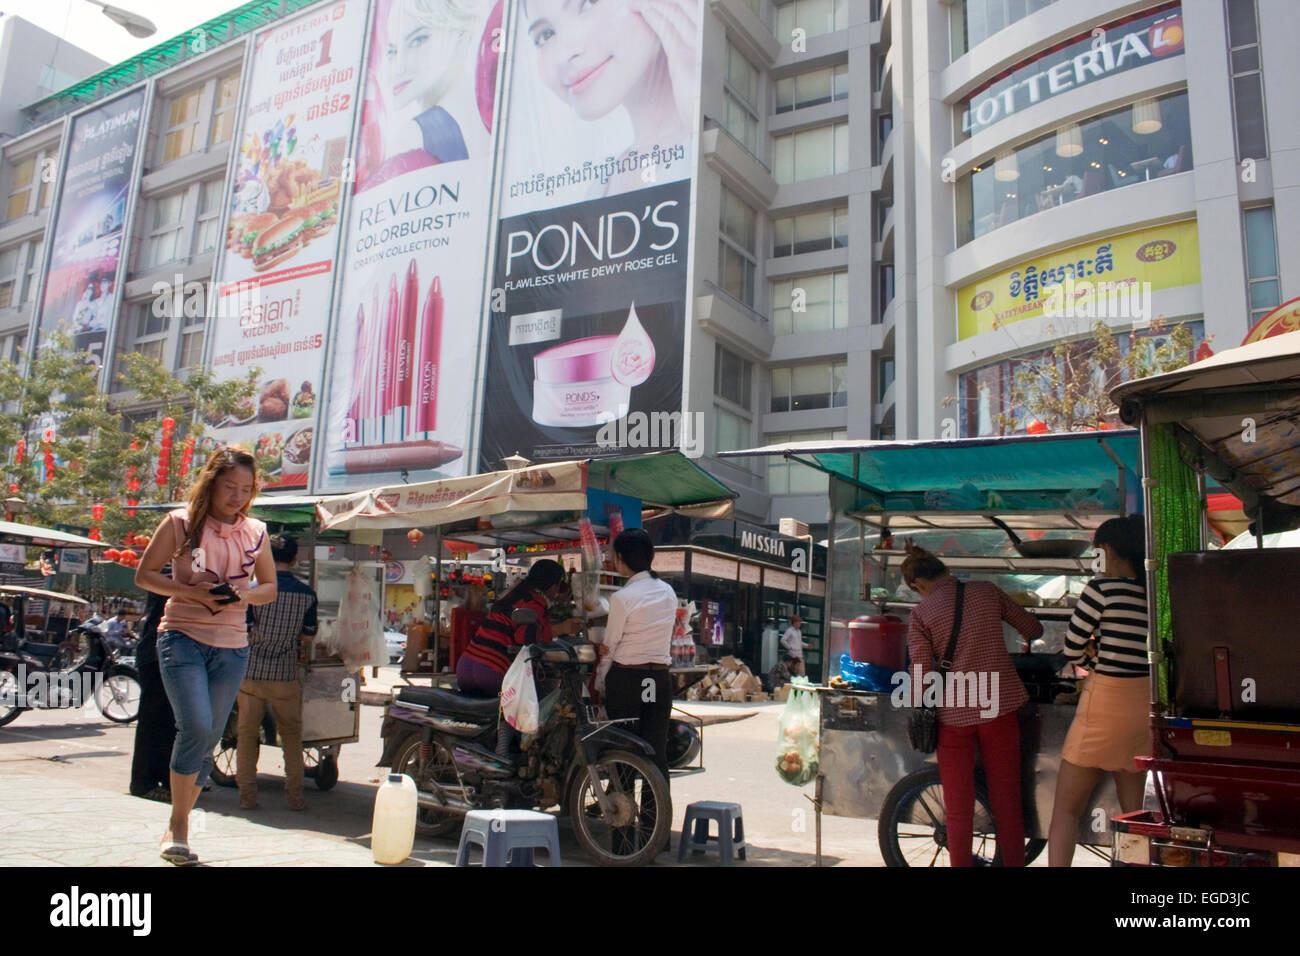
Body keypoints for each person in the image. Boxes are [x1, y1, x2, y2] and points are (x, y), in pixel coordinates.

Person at [135, 446, 278, 865]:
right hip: (182, 636)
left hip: (232, 646)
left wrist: (245, 593)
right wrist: (189, 590)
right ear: (212, 483)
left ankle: (178, 821)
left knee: (210, 737)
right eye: (230, 487)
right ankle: (179, 825)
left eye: (246, 489)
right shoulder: (181, 523)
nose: (237, 497)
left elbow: (269, 586)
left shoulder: (257, 531)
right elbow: (145, 574)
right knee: (195, 726)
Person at [903, 541, 1042, 867]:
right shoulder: (987, 591)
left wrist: (915, 702)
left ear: (919, 585)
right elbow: (1033, 629)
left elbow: (922, 673)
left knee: (958, 809)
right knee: (1007, 802)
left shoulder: (921, 613)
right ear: (945, 570)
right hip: (999, 707)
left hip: (954, 718)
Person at [1048, 515, 1149, 866]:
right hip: (1143, 708)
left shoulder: (1101, 589)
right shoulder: (1150, 593)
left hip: (1106, 703)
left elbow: (1072, 647)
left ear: (1108, 550)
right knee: (1135, 816)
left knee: (1066, 810)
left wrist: (1092, 659)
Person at [523, 0, 699, 197]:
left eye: (588, 4)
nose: (563, 55)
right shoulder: (599, 189)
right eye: (545, 35)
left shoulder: (703, 137)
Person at [236, 535, 319, 812]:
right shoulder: (307, 595)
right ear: (294, 560)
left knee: (247, 734)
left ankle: (247, 797)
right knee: (292, 736)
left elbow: (244, 628)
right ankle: (295, 798)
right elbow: (308, 635)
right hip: (284, 674)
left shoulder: (252, 591)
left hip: (251, 672)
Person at [595, 529, 679, 784]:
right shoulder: (668, 592)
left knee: (624, 748)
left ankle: (623, 820)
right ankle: (655, 818)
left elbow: (609, 646)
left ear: (621, 558)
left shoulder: (622, 598)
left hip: (628, 680)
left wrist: (600, 679)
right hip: (657, 679)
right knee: (655, 750)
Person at [456, 558, 582, 696]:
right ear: (553, 586)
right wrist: (561, 628)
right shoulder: (534, 602)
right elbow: (525, 637)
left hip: (466, 665)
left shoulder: (515, 593)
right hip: (491, 669)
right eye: (559, 585)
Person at [129, 585, 175, 802]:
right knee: (153, 721)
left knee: (169, 723)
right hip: (156, 654)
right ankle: (143, 783)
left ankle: (167, 779)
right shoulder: (168, 575)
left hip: (165, 655)